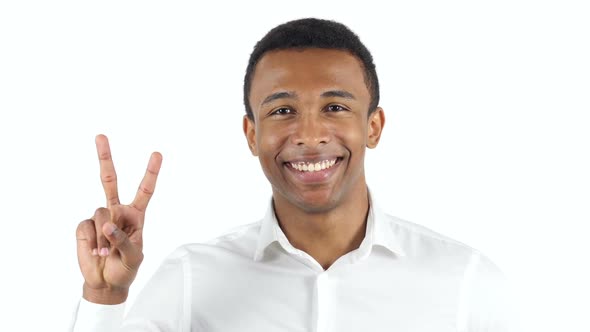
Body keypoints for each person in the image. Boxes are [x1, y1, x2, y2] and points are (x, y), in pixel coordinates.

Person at [70, 18, 511, 331]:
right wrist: (104, 298)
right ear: (251, 133)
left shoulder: (465, 282)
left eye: (335, 107)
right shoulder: (192, 277)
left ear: (372, 127)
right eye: (283, 111)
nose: (310, 134)